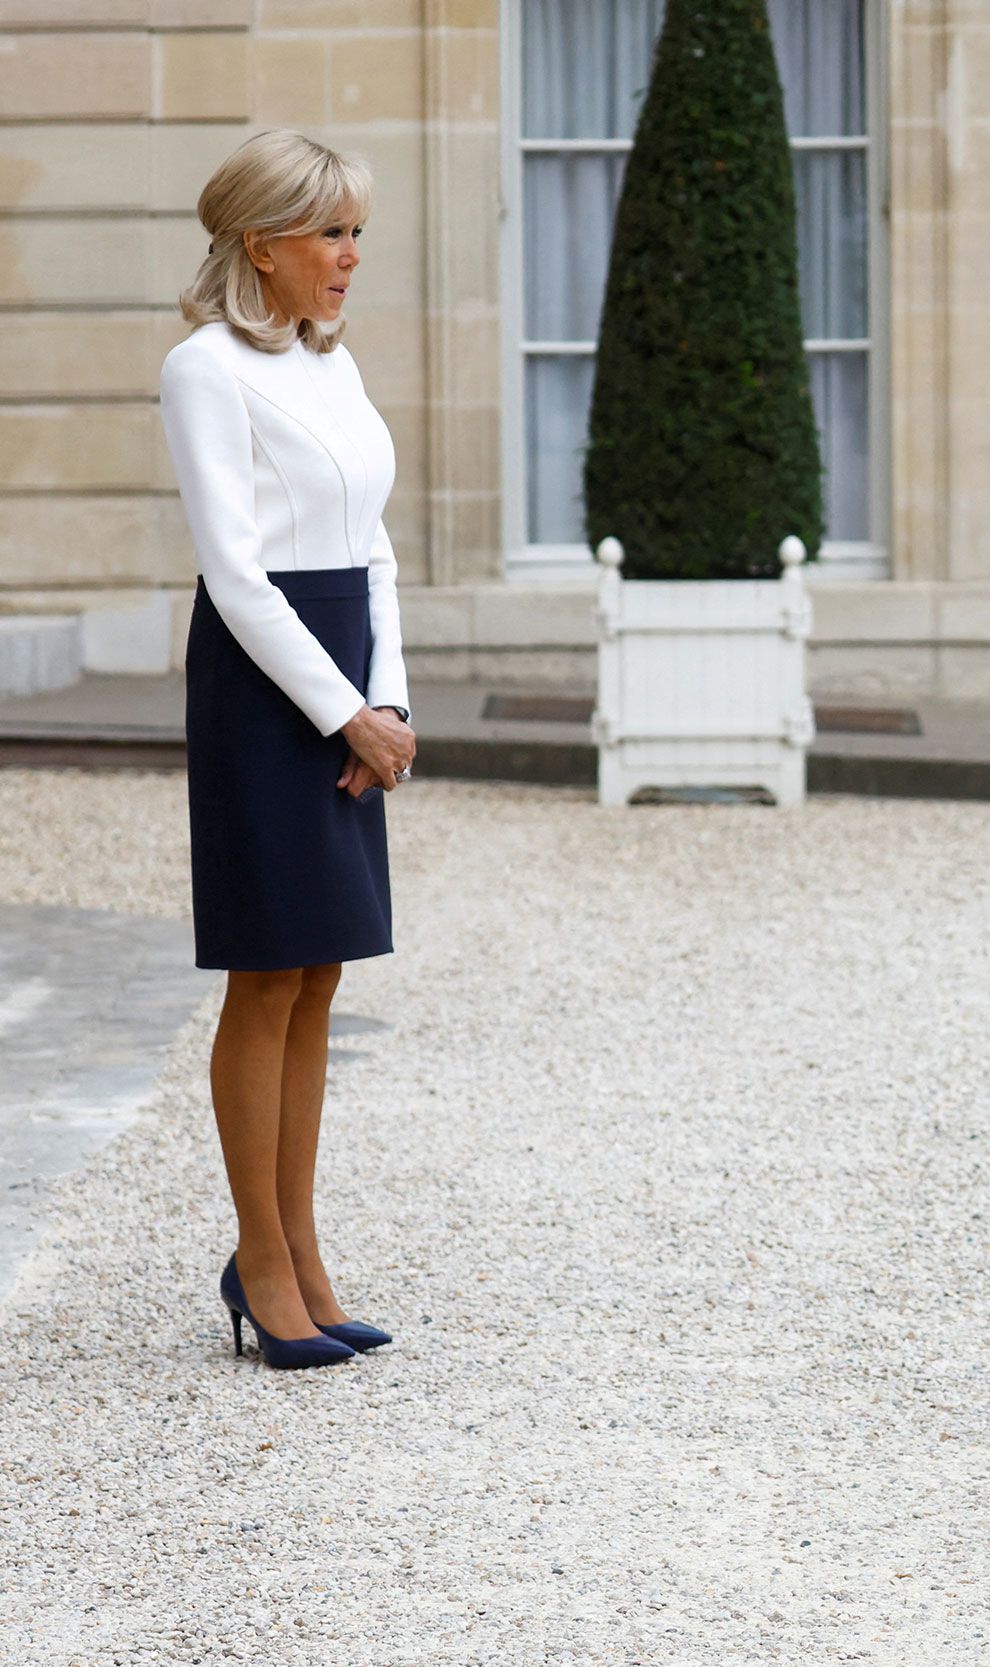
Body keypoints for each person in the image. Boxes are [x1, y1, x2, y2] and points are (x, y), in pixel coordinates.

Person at [161, 130, 416, 1369]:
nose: (350, 256)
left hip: (348, 674)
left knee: (320, 973)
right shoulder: (202, 370)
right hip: (267, 686)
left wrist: (392, 704)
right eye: (330, 232)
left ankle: (302, 1250)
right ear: (260, 243)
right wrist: (341, 712)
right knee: (266, 974)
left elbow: (372, 546)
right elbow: (235, 573)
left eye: (356, 230)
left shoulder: (333, 361)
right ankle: (261, 1260)